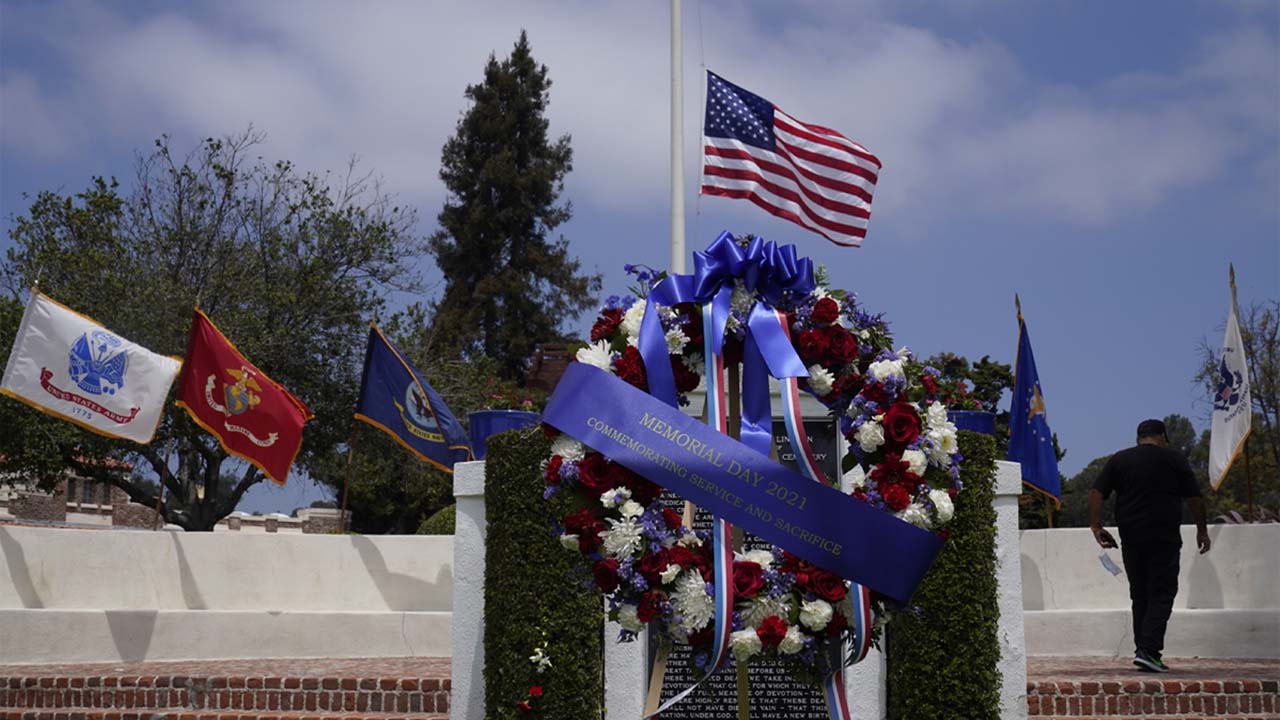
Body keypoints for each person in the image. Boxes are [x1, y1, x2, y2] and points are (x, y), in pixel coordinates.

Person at [1089, 418, 1210, 673]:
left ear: (1138, 438)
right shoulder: (1174, 459)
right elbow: (1194, 498)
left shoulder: (1119, 459)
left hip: (1131, 537)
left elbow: (1096, 492)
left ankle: (1143, 651)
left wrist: (1097, 527)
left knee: (1140, 593)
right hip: (1163, 537)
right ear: (1163, 437)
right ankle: (1149, 651)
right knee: (1162, 593)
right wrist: (1202, 530)